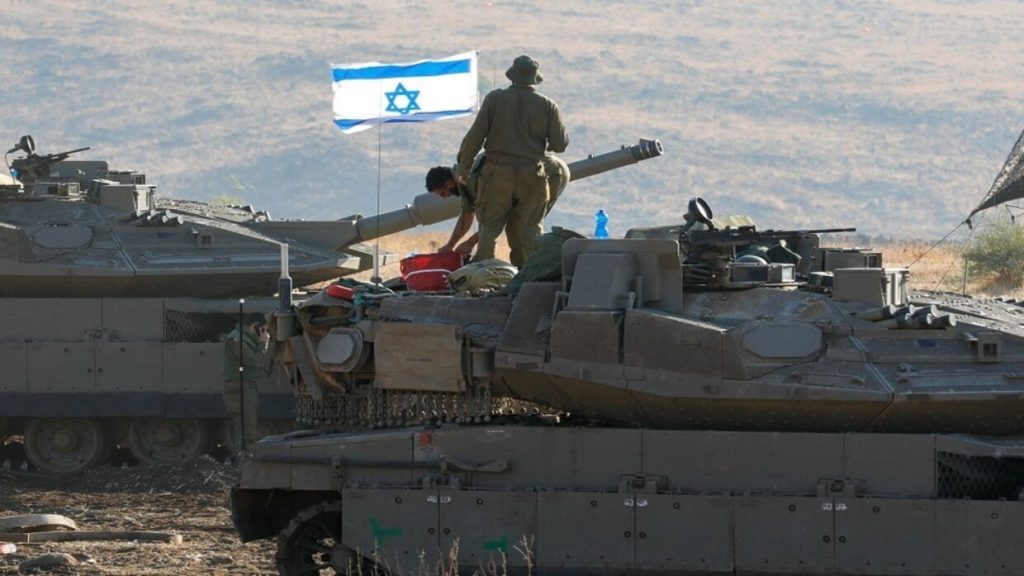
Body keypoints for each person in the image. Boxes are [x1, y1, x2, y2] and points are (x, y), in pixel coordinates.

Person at [454, 54, 569, 267]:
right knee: (531, 229)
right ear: (535, 78)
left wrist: (463, 167)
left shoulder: (495, 99)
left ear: (512, 75)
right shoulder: (548, 105)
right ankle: (529, 275)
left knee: (489, 227)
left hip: (497, 173)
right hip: (534, 175)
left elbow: (475, 137)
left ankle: (483, 273)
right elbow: (560, 144)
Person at [425, 154, 570, 267]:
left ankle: (534, 273)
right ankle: (523, 270)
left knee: (525, 226)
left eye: (443, 193)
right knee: (515, 227)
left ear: (449, 183)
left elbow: (495, 220)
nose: (446, 197)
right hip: (538, 173)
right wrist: (450, 245)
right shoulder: (467, 181)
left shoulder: (479, 178)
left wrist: (470, 243)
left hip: (548, 173)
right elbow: (466, 217)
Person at [222, 317, 273, 450]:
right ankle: (243, 459)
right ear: (255, 326)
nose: (266, 333)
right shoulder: (236, 340)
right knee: (246, 428)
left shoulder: (246, 339)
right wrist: (263, 344)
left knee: (248, 426)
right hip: (239, 387)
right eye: (264, 329)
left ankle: (244, 456)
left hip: (246, 385)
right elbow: (253, 362)